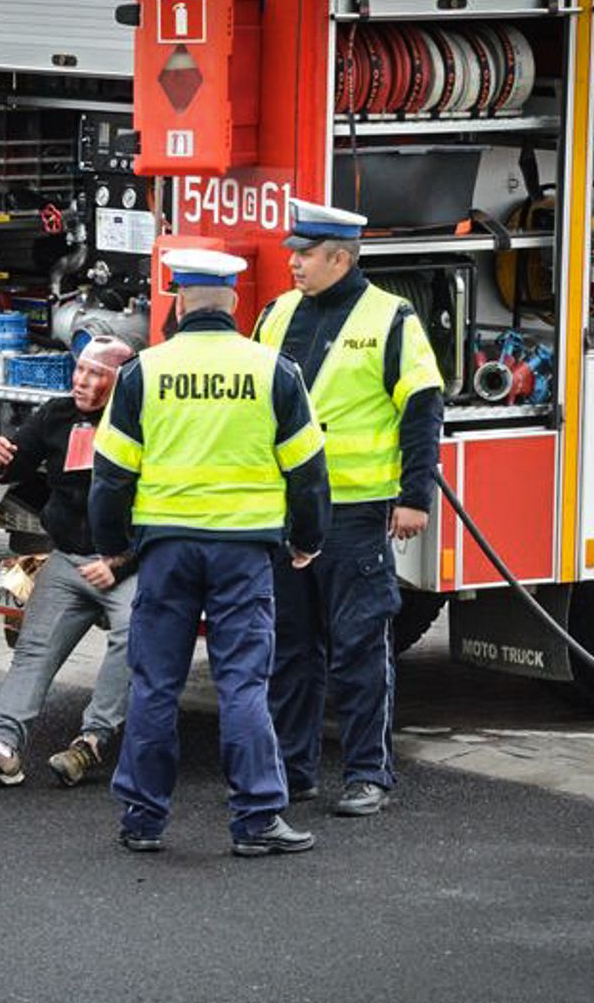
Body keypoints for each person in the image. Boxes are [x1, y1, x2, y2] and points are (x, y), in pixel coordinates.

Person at [89, 248, 331, 858]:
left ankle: (143, 819)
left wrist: (114, 547)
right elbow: (308, 472)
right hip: (244, 553)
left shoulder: (143, 372)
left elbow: (111, 474)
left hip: (166, 551)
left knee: (155, 685)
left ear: (178, 303)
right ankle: (256, 819)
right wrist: (308, 539)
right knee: (243, 684)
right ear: (234, 303)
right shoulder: (274, 371)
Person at [255, 199, 445, 818]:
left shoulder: (391, 317)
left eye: (305, 254)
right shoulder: (277, 313)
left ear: (339, 258)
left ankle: (368, 774)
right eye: (293, 253)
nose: (293, 263)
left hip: (355, 512)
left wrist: (414, 497)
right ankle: (294, 770)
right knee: (290, 648)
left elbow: (423, 409)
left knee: (360, 648)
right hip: (288, 512)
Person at [0, 336, 139, 791]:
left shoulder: (146, 424)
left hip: (126, 563)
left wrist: (122, 564)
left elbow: (164, 511)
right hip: (69, 559)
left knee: (135, 635)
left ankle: (90, 741)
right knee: (33, 648)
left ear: (122, 381)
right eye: (80, 369)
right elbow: (10, 465)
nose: (81, 381)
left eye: (96, 374)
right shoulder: (57, 415)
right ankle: (0, 750)